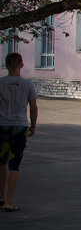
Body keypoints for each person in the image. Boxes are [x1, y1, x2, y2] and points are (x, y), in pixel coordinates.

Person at [1, 52, 38, 211]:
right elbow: (33, 107)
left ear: (6, 65)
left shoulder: (0, 83)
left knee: (1, 162)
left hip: (1, 126)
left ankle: (1, 197)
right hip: (19, 127)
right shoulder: (27, 84)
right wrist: (33, 126)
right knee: (14, 165)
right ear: (21, 65)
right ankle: (9, 202)